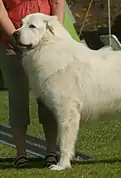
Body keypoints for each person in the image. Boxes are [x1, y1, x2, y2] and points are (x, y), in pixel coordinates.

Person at [0, 0, 64, 168]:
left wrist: (55, 38)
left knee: (49, 99)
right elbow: (1, 13)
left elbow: (57, 5)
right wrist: (17, 40)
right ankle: (20, 154)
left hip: (45, 46)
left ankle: (51, 151)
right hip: (11, 44)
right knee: (17, 99)